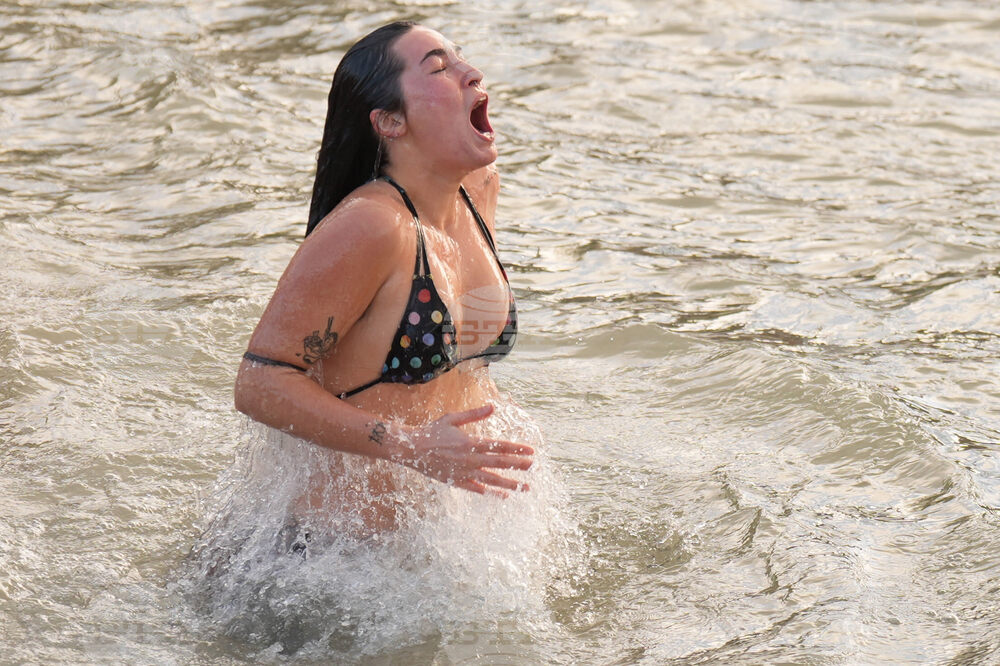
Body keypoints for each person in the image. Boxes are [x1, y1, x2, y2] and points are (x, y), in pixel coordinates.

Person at [233, 21, 534, 534]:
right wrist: (409, 446)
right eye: (440, 68)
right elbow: (258, 384)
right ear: (391, 122)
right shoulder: (371, 225)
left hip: (431, 542)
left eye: (462, 58)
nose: (472, 73)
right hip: (319, 550)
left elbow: (459, 370)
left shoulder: (478, 190)